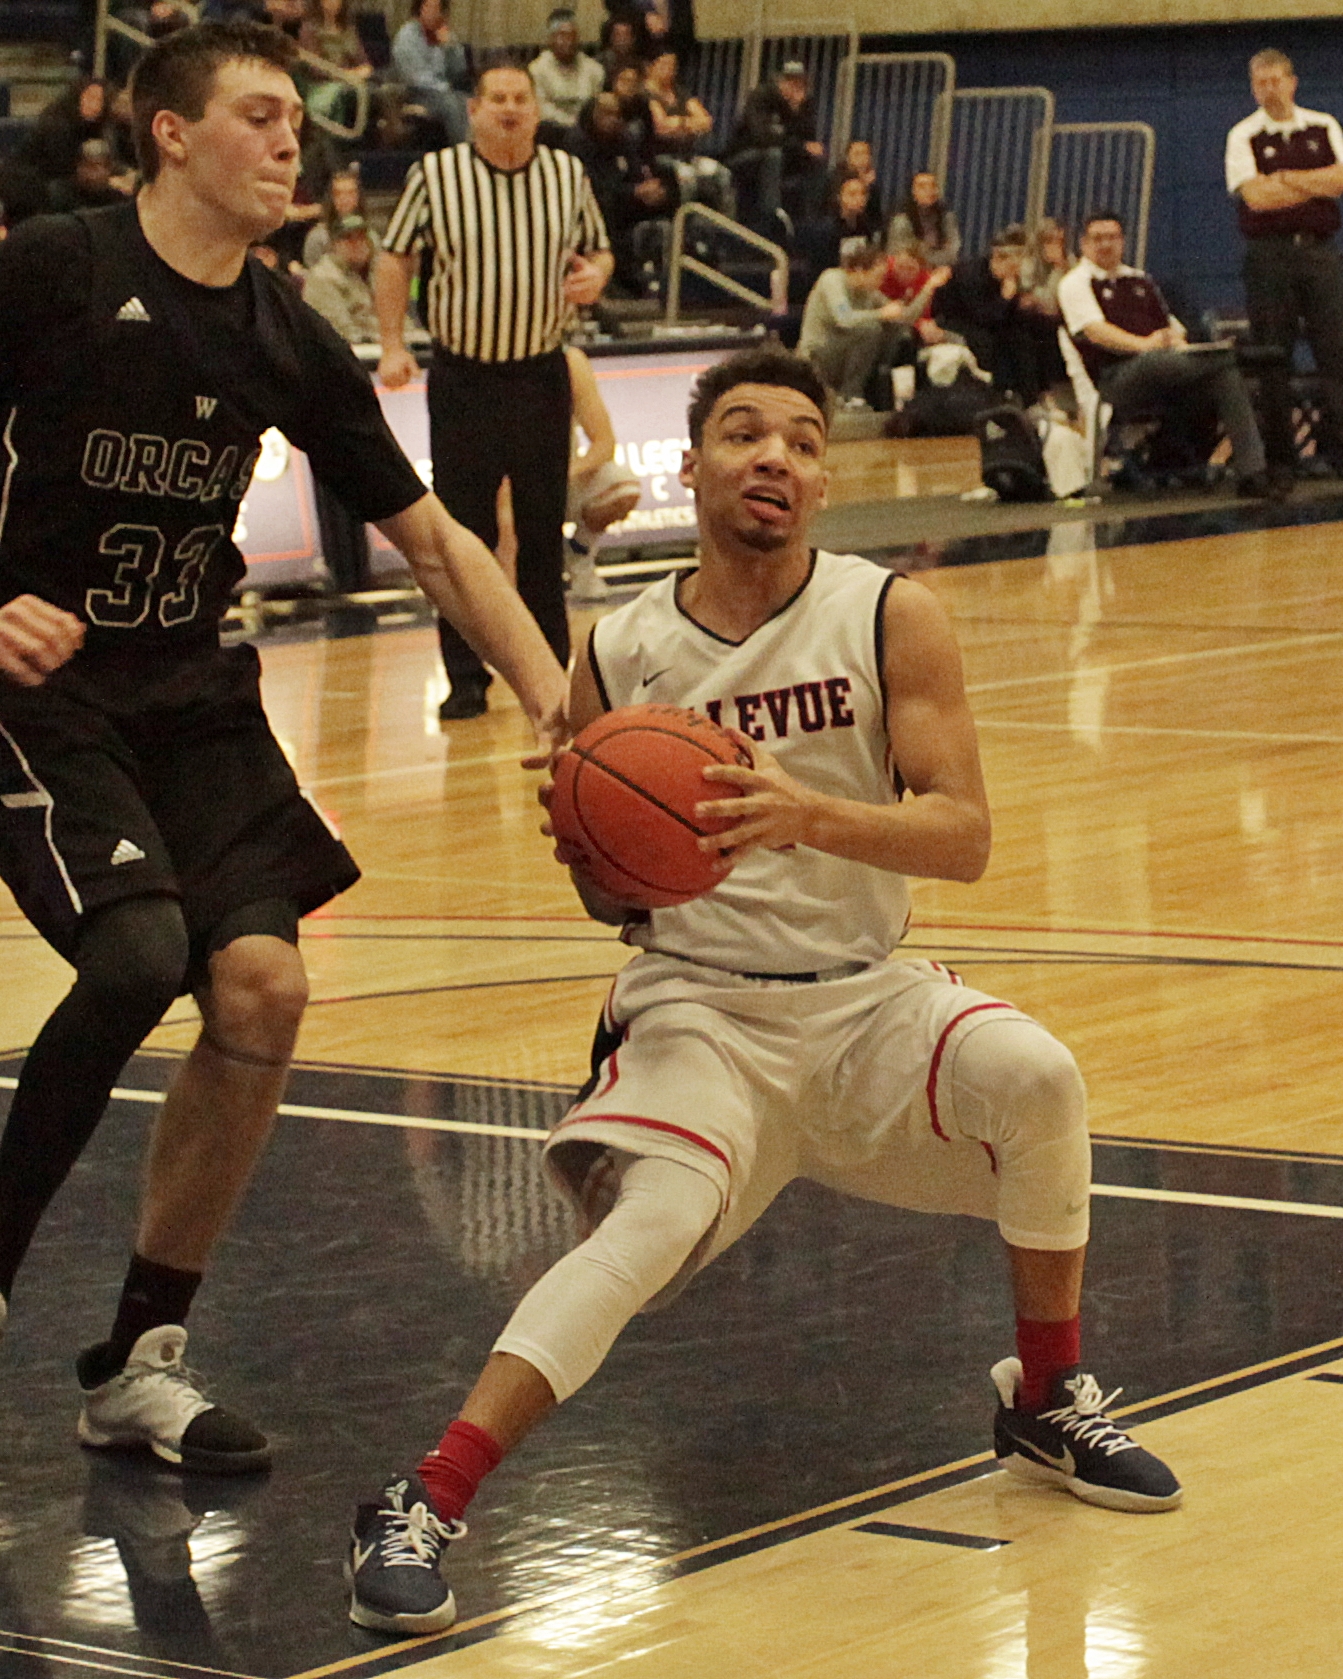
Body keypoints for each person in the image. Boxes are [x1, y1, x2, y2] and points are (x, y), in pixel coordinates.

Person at [343, 342, 1182, 1633]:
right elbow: (607, 903)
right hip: (699, 1009)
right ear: (690, 467)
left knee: (1036, 1076)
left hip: (861, 996)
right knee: (638, 1233)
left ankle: (1045, 1396)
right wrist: (586, 842)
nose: (771, 457)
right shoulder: (619, 649)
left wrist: (803, 814)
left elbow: (961, 834)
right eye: (741, 433)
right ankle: (425, 1494)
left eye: (798, 437)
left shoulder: (883, 610)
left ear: (824, 478)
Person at [0, 20, 567, 1472]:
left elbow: (434, 539)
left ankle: (138, 1357)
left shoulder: (280, 334)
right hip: (34, 693)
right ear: (170, 133)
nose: (288, 140)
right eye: (259, 115)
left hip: (189, 694)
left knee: (260, 985)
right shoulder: (57, 268)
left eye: (299, 125)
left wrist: (558, 703)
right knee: (135, 955)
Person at [376, 61, 613, 721]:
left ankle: (552, 673)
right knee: (461, 537)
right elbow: (394, 257)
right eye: (497, 99)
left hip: (541, 375)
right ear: (473, 109)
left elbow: (599, 250)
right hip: (464, 379)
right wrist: (392, 343)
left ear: (537, 110)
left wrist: (595, 276)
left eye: (521, 99)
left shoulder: (567, 176)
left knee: (541, 533)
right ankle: (465, 679)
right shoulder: (436, 175)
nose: (510, 109)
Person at [1057, 212, 1273, 497]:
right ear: (1084, 244)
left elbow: (1173, 329)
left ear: (1123, 241)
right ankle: (1237, 356)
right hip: (1117, 379)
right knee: (1175, 360)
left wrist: (1176, 341)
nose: (1106, 244)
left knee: (1226, 376)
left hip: (1166, 371)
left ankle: (1253, 473)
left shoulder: (1140, 280)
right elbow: (1096, 331)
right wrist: (1143, 344)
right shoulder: (1075, 283)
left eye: (1112, 237)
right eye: (1098, 238)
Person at [1225, 48, 1343, 490]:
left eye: (1276, 80)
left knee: (1336, 351)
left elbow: (1340, 181)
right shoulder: (1243, 135)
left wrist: (1286, 177)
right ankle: (1280, 461)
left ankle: (1337, 452)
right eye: (1261, 82)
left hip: (1321, 253)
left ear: (1292, 82)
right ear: (1253, 87)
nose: (1269, 88)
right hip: (1268, 257)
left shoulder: (1323, 124)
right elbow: (1256, 198)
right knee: (1274, 355)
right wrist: (1312, 181)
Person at [798, 237, 934, 408]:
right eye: (878, 276)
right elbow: (845, 319)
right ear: (861, 271)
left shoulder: (869, 292)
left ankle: (876, 389)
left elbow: (904, 317)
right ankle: (849, 394)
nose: (880, 282)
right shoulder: (833, 279)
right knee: (870, 329)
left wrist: (929, 287)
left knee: (895, 331)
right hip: (818, 354)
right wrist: (880, 313)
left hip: (841, 352)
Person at [570, 90, 673, 297]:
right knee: (609, 213)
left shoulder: (623, 139)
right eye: (606, 114)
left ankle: (665, 282)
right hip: (592, 208)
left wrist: (650, 189)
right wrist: (633, 192)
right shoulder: (578, 141)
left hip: (625, 202)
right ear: (592, 115)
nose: (613, 120)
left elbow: (635, 172)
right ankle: (620, 282)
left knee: (671, 199)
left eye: (617, 115)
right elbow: (592, 188)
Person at [563, 344, 640, 601]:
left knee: (623, 485)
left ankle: (579, 552)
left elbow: (604, 443)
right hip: (504, 486)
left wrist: (564, 474)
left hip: (558, 479)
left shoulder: (570, 361)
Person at [726, 60, 827, 236]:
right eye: (789, 82)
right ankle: (771, 215)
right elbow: (762, 137)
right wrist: (799, 145)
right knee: (773, 155)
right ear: (779, 81)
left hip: (784, 154)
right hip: (745, 155)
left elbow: (808, 138)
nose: (794, 87)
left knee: (816, 159)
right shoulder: (761, 96)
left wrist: (796, 111)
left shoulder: (802, 104)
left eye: (799, 83)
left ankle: (812, 219)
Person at [391, 0, 470, 145]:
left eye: (437, 9)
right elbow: (414, 77)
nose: (433, 12)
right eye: (429, 7)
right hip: (416, 92)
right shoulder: (408, 35)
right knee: (451, 104)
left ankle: (475, 149)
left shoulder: (443, 33)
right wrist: (445, 89)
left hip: (443, 91)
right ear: (419, 8)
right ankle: (461, 149)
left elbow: (459, 71)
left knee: (468, 102)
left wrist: (450, 48)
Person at [302, 211, 378, 341]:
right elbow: (340, 331)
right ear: (334, 245)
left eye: (362, 238)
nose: (357, 244)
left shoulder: (372, 274)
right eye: (348, 239)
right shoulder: (323, 277)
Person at [297, 0, 372, 129]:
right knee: (346, 95)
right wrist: (344, 75)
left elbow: (364, 63)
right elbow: (316, 68)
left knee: (383, 91)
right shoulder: (309, 30)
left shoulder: (348, 30)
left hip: (353, 81)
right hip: (323, 84)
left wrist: (361, 72)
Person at [529, 8, 605, 133]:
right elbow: (541, 109)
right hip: (553, 130)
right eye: (562, 35)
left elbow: (595, 107)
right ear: (551, 39)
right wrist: (571, 124)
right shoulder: (536, 70)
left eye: (572, 35)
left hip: (587, 131)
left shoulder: (595, 70)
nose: (568, 41)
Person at [887, 171, 960, 269]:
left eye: (933, 186)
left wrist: (921, 250)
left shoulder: (947, 218)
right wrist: (935, 251)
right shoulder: (901, 221)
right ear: (912, 192)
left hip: (941, 271)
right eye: (922, 187)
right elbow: (898, 255)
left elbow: (953, 254)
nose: (929, 190)